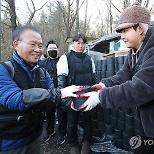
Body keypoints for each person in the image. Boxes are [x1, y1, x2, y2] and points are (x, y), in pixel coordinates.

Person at [0, 25, 79, 154]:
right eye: (33, 45)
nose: (38, 50)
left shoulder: (43, 73)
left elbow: (53, 99)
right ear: (16, 44)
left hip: (34, 139)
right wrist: (59, 93)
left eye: (40, 45)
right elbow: (16, 99)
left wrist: (78, 102)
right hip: (5, 144)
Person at [77, 2, 154, 153]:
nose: (122, 37)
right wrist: (103, 85)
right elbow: (123, 76)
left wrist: (100, 97)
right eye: (120, 32)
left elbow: (140, 88)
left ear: (140, 29)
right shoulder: (134, 51)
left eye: (125, 31)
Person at [57, 33, 96, 154]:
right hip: (73, 95)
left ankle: (86, 141)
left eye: (83, 43)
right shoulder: (66, 58)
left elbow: (94, 76)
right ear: (73, 43)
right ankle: (73, 144)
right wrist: (66, 98)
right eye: (78, 43)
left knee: (88, 120)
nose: (80, 45)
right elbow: (61, 79)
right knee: (72, 121)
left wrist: (95, 92)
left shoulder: (89, 58)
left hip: (88, 94)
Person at [40, 40, 60, 142]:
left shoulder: (63, 61)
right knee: (49, 113)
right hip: (49, 92)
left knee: (62, 114)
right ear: (47, 51)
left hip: (61, 91)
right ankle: (49, 131)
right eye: (50, 49)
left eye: (54, 49)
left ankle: (63, 132)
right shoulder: (42, 63)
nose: (52, 50)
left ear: (58, 50)